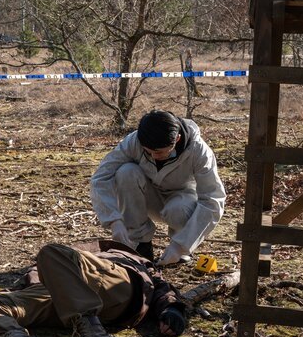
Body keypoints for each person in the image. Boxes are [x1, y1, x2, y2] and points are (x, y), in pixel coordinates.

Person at [0, 241, 187, 337]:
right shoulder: (83, 250)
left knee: (51, 251)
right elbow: (36, 278)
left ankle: (95, 334)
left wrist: (172, 308)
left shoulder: (129, 258)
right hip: (58, 293)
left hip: (114, 287)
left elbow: (159, 285)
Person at [91, 110, 226, 265]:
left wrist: (180, 246)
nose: (154, 156)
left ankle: (178, 251)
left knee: (178, 209)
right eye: (148, 152)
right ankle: (140, 244)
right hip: (148, 196)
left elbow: (213, 199)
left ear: (177, 139)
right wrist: (114, 220)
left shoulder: (199, 151)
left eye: (159, 152)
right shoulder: (133, 142)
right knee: (126, 172)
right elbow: (100, 177)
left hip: (183, 200)